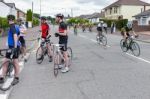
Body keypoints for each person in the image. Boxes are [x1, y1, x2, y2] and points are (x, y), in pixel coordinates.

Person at [0, 15, 20, 85]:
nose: (9, 21)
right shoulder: (17, 26)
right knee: (10, 62)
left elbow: (15, 35)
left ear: (9, 20)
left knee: (10, 62)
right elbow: (18, 35)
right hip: (14, 46)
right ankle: (2, 77)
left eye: (9, 19)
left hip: (13, 47)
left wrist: (14, 47)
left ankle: (15, 78)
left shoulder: (12, 26)